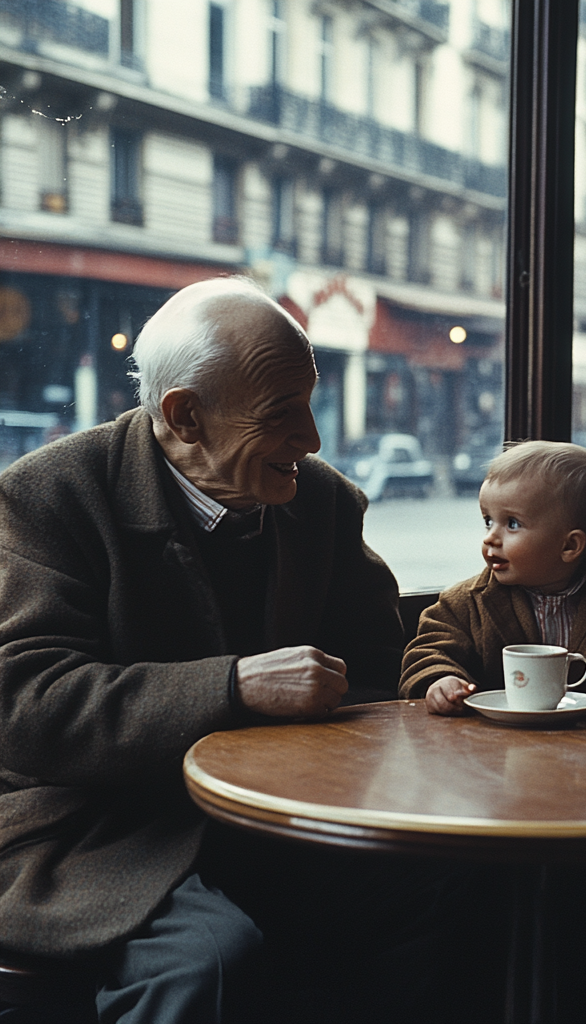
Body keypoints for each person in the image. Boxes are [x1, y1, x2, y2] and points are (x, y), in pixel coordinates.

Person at [0, 277, 408, 1022]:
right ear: (186, 415)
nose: (312, 439)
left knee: (443, 894)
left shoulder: (320, 501)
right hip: (87, 826)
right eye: (284, 414)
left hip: (276, 810)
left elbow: (381, 665)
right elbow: (24, 706)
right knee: (206, 955)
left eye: (310, 404)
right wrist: (235, 686)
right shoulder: (46, 496)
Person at [400, 440, 586, 710]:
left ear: (569, 545)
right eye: (488, 521)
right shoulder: (463, 604)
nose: (491, 538)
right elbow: (429, 651)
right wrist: (440, 680)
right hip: (495, 742)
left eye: (512, 524)